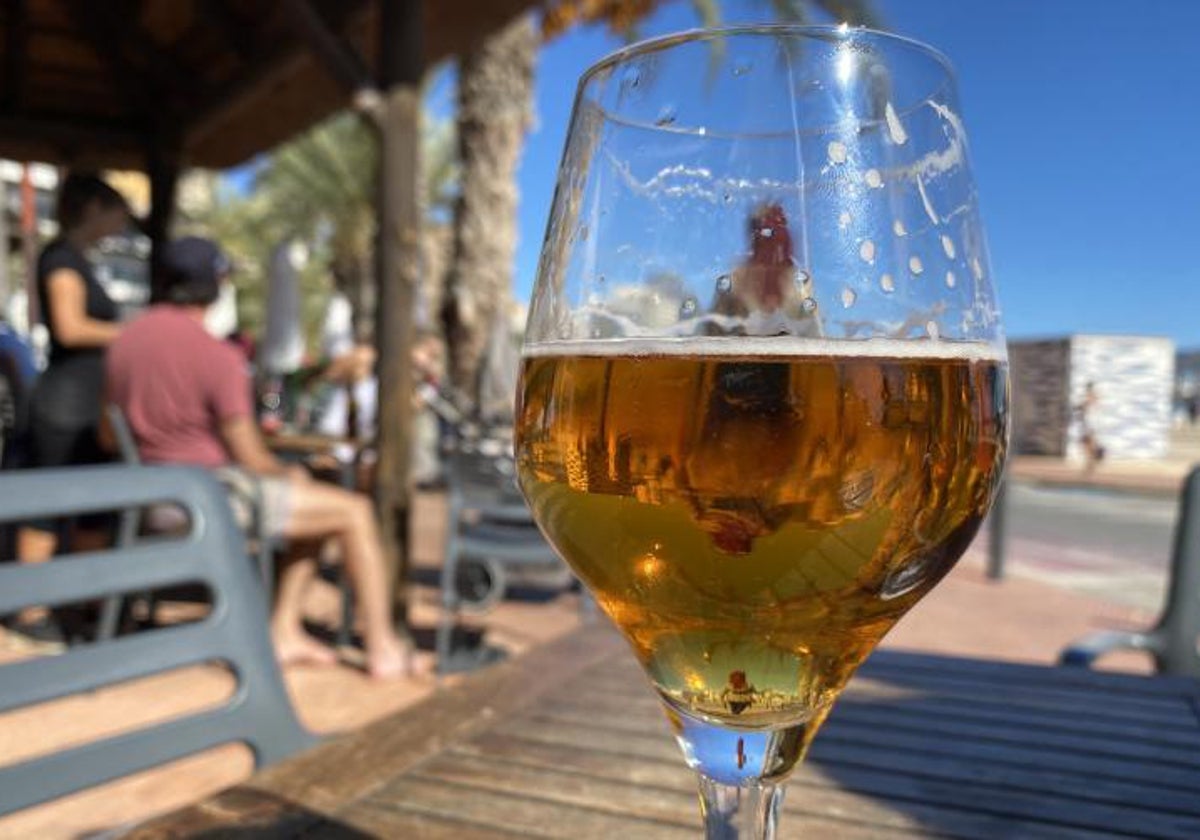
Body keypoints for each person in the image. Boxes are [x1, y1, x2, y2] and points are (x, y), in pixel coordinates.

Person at [104, 237, 411, 678]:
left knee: (315, 505)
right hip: (205, 500)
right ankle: (383, 648)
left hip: (145, 500)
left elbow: (107, 435)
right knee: (354, 510)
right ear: (215, 285)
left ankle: (284, 629)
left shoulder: (123, 342)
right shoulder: (217, 355)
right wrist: (286, 471)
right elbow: (251, 457)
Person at [12, 173, 129, 644]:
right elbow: (70, 328)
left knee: (90, 507)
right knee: (46, 504)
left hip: (88, 404)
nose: (121, 224)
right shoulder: (61, 258)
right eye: (117, 212)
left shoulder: (78, 260)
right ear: (94, 208)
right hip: (64, 403)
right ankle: (29, 608)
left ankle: (83, 603)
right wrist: (135, 334)